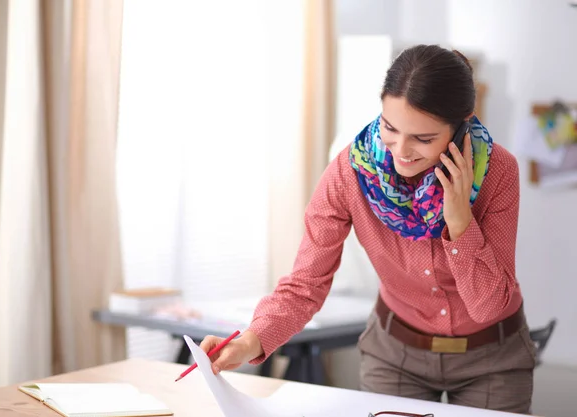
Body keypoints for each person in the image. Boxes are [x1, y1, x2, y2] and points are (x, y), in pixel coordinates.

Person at [200, 44, 535, 413]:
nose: (401, 151)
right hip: (395, 356)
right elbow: (306, 282)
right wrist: (251, 341)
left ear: (461, 127)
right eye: (391, 128)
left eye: (423, 139)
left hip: (493, 359)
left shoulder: (498, 172)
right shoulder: (349, 172)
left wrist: (459, 222)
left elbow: (489, 306)